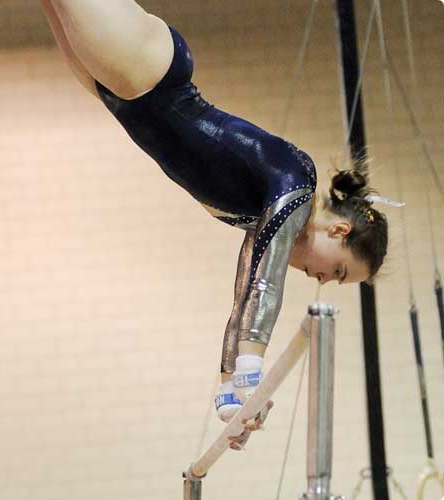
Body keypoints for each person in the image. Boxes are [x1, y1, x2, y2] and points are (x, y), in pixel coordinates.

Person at [37, 0, 388, 450]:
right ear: (338, 232)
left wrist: (232, 396)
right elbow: (266, 283)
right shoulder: (297, 184)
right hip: (149, 75)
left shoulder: (261, 219)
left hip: (124, 93)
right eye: (338, 271)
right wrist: (252, 373)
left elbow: (244, 290)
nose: (322, 280)